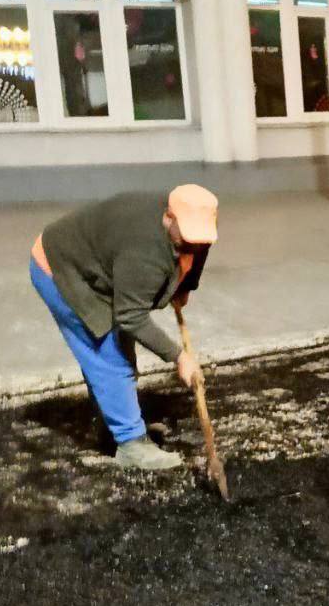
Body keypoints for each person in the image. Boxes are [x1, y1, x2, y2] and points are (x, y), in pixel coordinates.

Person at [29, 186, 218, 470]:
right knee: (110, 356)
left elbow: (198, 250)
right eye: (189, 237)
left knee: (119, 352)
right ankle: (130, 444)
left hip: (97, 263)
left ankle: (117, 426)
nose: (196, 243)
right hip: (62, 270)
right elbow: (131, 316)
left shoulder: (196, 224)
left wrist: (186, 286)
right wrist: (179, 357)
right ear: (169, 218)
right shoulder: (144, 250)